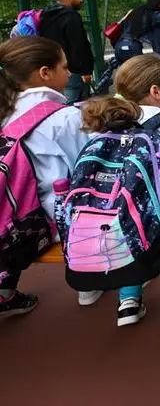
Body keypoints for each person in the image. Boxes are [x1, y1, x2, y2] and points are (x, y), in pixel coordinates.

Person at [80, 55, 160, 326]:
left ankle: (129, 300)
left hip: (118, 223)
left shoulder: (103, 128)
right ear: (155, 91)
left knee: (132, 217)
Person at [0, 37, 98, 319]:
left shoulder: (5, 110)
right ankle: (89, 283)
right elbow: (85, 169)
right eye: (64, 67)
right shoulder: (64, 118)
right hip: (46, 222)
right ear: (44, 73)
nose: (69, 72)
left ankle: (5, 291)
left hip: (8, 216)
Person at [38, 0, 94, 104]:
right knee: (76, 100)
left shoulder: (45, 16)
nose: (81, 0)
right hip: (74, 70)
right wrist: (85, 71)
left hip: (53, 67)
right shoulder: (71, 16)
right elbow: (78, 46)